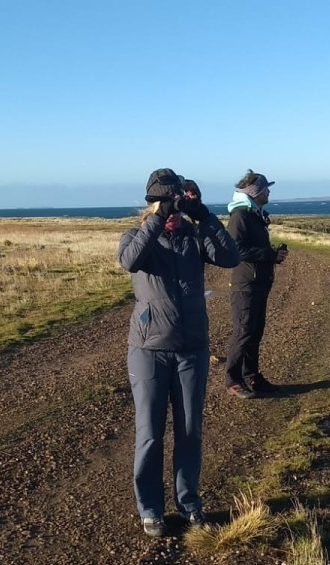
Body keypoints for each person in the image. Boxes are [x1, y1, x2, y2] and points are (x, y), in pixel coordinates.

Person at [118, 169, 240, 537]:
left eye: (176, 203)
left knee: (190, 430)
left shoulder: (193, 236)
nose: (173, 211)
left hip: (192, 349)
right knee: (150, 432)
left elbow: (230, 257)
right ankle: (151, 508)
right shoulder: (136, 237)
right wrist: (157, 218)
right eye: (165, 203)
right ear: (152, 203)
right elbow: (130, 261)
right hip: (149, 350)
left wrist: (202, 214)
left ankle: (189, 502)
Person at [224, 169, 288, 399]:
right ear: (256, 192)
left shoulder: (254, 214)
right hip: (246, 285)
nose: (269, 191)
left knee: (255, 331)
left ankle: (252, 376)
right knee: (243, 331)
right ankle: (233, 380)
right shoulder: (241, 216)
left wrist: (272, 255)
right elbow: (236, 249)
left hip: (258, 283)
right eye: (265, 188)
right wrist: (269, 254)